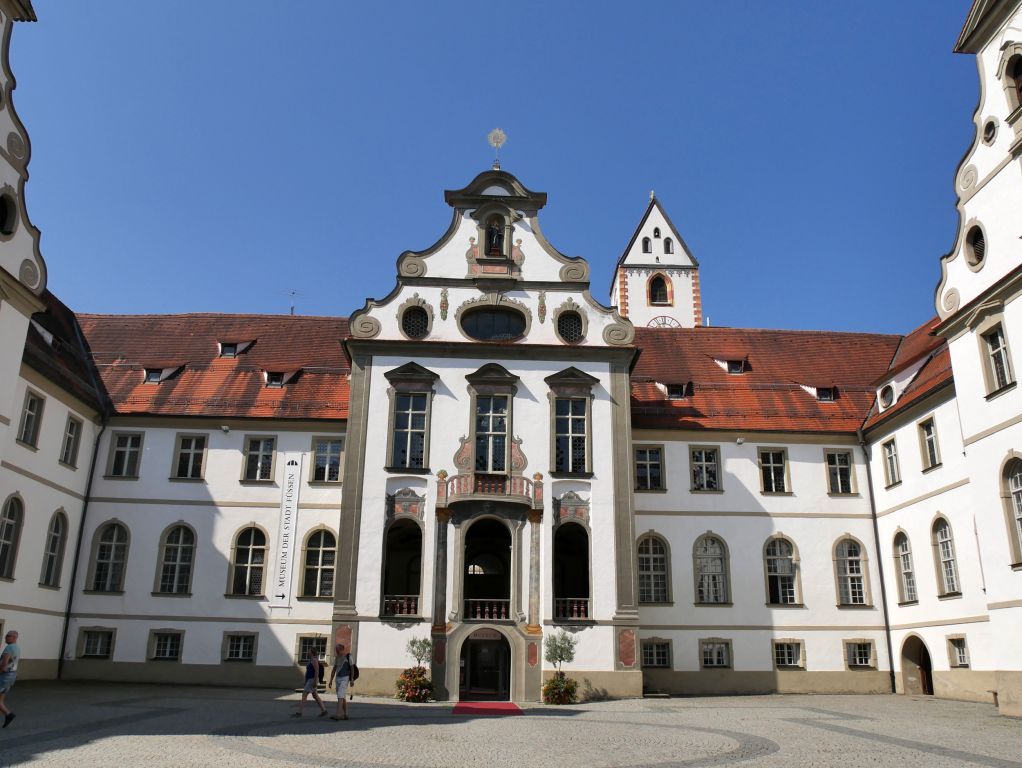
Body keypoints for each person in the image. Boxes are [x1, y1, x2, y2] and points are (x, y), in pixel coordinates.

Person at [292, 647, 328, 718]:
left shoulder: (314, 660)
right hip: (310, 679)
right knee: (315, 696)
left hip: (312, 680)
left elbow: (317, 670)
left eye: (309, 651)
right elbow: (308, 671)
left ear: (312, 652)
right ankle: (324, 710)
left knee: (304, 694)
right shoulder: (311, 660)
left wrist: (315, 680)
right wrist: (306, 680)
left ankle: (299, 712)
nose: (308, 652)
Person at [327, 643, 352, 720]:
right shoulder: (336, 658)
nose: (336, 651)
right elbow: (334, 669)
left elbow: (352, 668)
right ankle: (346, 714)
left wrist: (352, 680)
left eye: (337, 650)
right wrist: (331, 680)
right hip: (338, 678)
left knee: (340, 695)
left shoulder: (348, 657)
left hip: (345, 678)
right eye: (336, 650)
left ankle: (338, 714)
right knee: (341, 696)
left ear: (342, 649)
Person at [0, 630, 20, 728]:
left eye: (8, 636)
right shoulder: (17, 647)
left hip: (4, 676)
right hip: (11, 676)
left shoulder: (9, 647)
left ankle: (8, 714)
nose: (6, 637)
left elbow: (4, 664)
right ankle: (8, 715)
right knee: (0, 700)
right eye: (6, 636)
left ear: (14, 637)